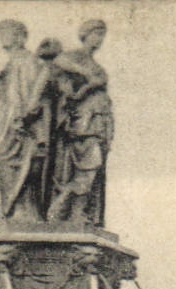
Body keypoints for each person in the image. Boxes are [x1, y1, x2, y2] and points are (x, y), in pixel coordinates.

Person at [47, 19, 112, 224]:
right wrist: (85, 75)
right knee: (89, 166)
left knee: (93, 170)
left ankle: (77, 212)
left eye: (102, 35)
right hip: (84, 123)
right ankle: (64, 206)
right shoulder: (74, 57)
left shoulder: (98, 66)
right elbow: (58, 63)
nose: (99, 39)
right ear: (85, 34)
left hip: (99, 122)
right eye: (96, 34)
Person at [0, 19, 55, 222]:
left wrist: (23, 117)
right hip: (4, 122)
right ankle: (13, 208)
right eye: (1, 32)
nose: (2, 36)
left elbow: (32, 98)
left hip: (17, 124)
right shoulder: (12, 63)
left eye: (7, 32)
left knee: (15, 161)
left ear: (20, 37)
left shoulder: (27, 61)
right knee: (3, 162)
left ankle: (21, 210)